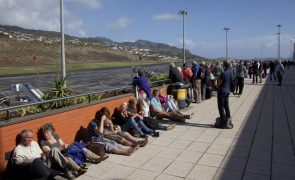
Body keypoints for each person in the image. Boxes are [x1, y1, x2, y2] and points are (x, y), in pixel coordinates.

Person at [39, 123, 108, 166]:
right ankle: (92, 159)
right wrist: (62, 147)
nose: (45, 134)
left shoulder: (56, 136)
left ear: (51, 132)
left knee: (78, 146)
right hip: (59, 156)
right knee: (75, 147)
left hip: (65, 150)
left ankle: (96, 157)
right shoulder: (43, 142)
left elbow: (62, 144)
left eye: (47, 132)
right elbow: (50, 151)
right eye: (44, 133)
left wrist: (67, 145)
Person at [215, 60, 233, 129]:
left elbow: (219, 83)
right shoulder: (230, 72)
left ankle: (223, 123)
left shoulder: (223, 73)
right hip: (227, 91)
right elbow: (231, 81)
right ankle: (228, 119)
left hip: (222, 91)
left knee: (221, 106)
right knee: (226, 105)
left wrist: (216, 86)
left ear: (224, 65)